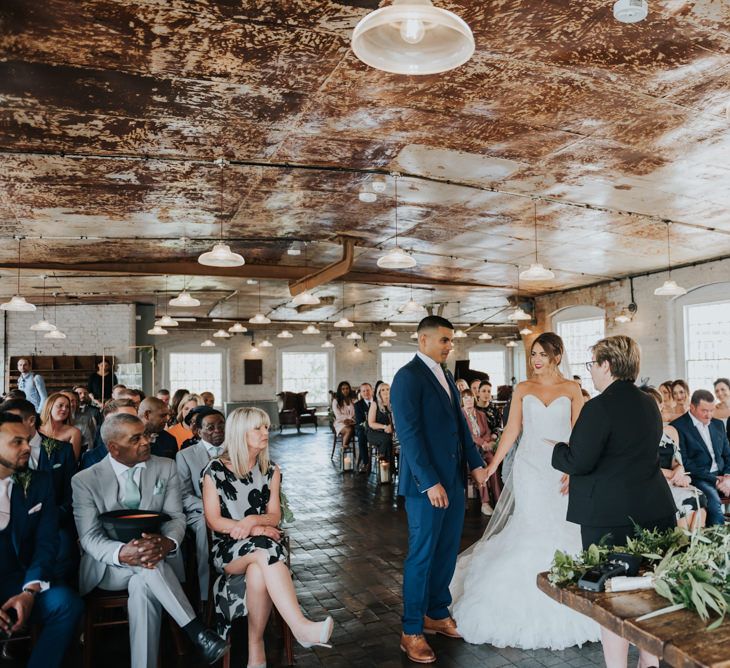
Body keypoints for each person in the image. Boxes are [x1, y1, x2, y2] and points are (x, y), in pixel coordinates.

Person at [451, 332, 598, 650]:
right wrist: (491, 467)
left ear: (557, 356)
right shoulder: (523, 389)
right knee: (531, 527)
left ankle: (567, 596)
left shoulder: (572, 389)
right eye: (533, 354)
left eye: (542, 354)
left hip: (560, 468)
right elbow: (513, 429)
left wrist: (574, 468)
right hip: (530, 467)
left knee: (562, 528)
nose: (536, 360)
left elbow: (580, 433)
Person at [552, 335, 676, 668]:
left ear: (607, 365)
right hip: (654, 509)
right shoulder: (649, 402)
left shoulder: (600, 406)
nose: (591, 371)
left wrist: (557, 450)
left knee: (611, 597)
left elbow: (579, 461)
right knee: (650, 593)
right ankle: (649, 663)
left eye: (592, 364)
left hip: (610, 516)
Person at [72, 413, 227, 667]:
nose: (146, 441)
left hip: (158, 558)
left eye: (146, 434)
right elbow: (89, 537)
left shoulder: (165, 467)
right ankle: (197, 631)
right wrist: (122, 552)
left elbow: (176, 518)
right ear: (114, 447)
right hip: (110, 568)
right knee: (147, 566)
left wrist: (168, 543)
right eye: (136, 438)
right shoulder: (85, 480)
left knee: (143, 582)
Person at [391, 316, 489, 664]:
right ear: (423, 340)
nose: (450, 346)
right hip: (426, 485)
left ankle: (436, 612)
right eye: (445, 340)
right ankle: (411, 630)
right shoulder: (407, 377)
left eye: (451, 340)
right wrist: (428, 481)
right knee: (422, 554)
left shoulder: (445, 375)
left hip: (454, 480)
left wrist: (476, 463)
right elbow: (409, 434)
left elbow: (460, 426)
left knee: (447, 550)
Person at [202, 407, 333, 666]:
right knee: (266, 548)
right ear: (241, 433)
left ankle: (256, 649)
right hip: (228, 550)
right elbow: (214, 521)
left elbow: (274, 515)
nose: (266, 432)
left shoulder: (271, 469)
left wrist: (252, 521)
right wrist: (255, 529)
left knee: (259, 568)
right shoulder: (214, 470)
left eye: (266, 427)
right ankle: (300, 627)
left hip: (261, 548)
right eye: (258, 428)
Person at [0, 412, 84, 668]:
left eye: (28, 440)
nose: (28, 447)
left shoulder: (39, 482)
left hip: (20, 579)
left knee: (67, 604)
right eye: (17, 442)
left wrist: (29, 590)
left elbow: (46, 542)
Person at [0, 398, 78, 582]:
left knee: (63, 546)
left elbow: (71, 494)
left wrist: (49, 518)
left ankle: (50, 589)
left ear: (30, 420)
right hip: (10, 526)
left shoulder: (62, 450)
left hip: (56, 521)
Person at [176, 408, 224, 609]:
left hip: (233, 509)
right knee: (206, 528)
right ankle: (206, 592)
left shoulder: (235, 449)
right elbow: (184, 494)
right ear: (198, 431)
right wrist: (210, 509)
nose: (217, 430)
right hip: (199, 511)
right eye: (210, 427)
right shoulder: (186, 455)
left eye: (221, 425)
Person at [640, 387, 706, 529]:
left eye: (653, 403)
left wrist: (680, 470)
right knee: (684, 502)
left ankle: (693, 545)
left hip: (674, 481)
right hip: (652, 482)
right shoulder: (637, 434)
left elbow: (677, 462)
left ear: (661, 405)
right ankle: (682, 544)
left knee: (699, 498)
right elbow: (643, 466)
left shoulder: (671, 431)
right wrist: (672, 475)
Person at [671, 389, 730, 526]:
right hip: (698, 476)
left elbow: (727, 455)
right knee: (713, 501)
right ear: (692, 407)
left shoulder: (718, 424)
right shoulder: (678, 427)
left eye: (711, 410)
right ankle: (718, 541)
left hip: (723, 474)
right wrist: (715, 480)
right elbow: (685, 462)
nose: (709, 415)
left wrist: (727, 476)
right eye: (704, 411)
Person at [460, 389, 500, 516]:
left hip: (483, 448)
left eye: (470, 397)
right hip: (468, 450)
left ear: (474, 399)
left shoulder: (481, 414)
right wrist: (482, 443)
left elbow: (487, 431)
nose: (468, 400)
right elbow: (467, 435)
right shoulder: (460, 415)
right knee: (480, 464)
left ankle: (499, 500)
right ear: (462, 400)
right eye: (465, 398)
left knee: (493, 463)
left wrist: (487, 443)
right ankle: (485, 503)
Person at [79, 398, 139, 470]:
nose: (134, 423)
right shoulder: (92, 458)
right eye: (126, 419)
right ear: (108, 422)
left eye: (135, 419)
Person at [39, 393, 82, 461]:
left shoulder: (74, 432)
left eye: (67, 407)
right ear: (49, 406)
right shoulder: (36, 429)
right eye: (60, 405)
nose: (64, 409)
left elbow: (73, 461)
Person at [367, 381, 394, 465]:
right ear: (379, 393)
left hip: (390, 432)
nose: (386, 391)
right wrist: (385, 427)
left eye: (387, 389)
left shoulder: (393, 403)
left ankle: (389, 468)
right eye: (382, 390)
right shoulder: (375, 404)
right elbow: (371, 423)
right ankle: (384, 463)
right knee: (386, 439)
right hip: (374, 432)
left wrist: (392, 428)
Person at [353, 383, 373, 473]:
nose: (366, 393)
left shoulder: (377, 401)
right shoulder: (358, 405)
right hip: (362, 428)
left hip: (376, 428)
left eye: (368, 390)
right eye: (363, 391)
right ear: (360, 393)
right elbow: (359, 421)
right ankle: (366, 463)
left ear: (371, 390)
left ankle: (384, 461)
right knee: (361, 436)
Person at [331, 382, 356, 455]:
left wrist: (351, 420)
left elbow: (356, 412)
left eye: (347, 388)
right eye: (343, 389)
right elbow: (338, 415)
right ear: (340, 390)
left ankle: (345, 449)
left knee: (357, 429)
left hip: (352, 421)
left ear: (349, 389)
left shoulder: (353, 400)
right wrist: (346, 419)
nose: (345, 390)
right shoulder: (336, 401)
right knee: (349, 429)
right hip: (340, 422)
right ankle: (344, 450)